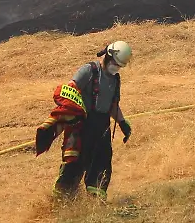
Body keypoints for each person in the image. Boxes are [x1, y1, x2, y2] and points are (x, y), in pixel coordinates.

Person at [48, 41, 133, 201]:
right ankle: (60, 200)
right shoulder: (89, 70)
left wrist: (122, 123)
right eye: (115, 64)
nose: (116, 68)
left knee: (102, 164)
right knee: (74, 163)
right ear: (108, 56)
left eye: (119, 66)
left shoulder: (115, 79)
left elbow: (113, 105)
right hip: (82, 125)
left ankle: (95, 203)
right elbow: (70, 90)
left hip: (102, 127)